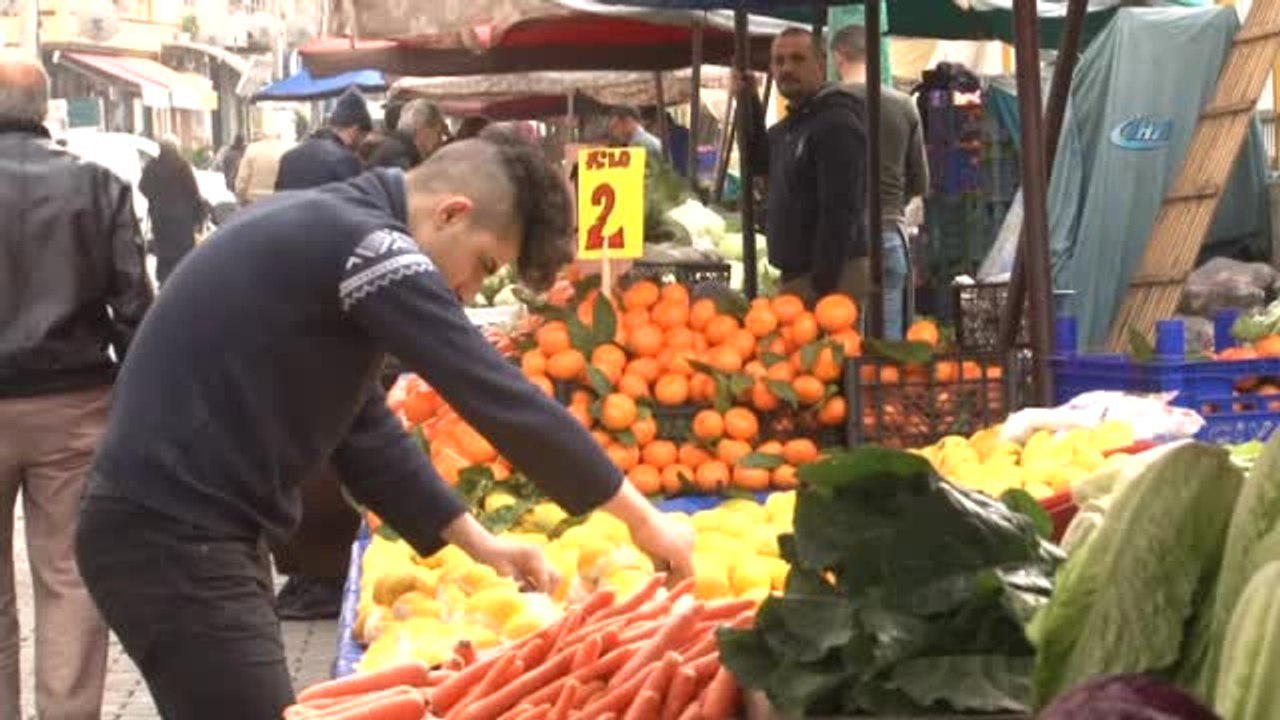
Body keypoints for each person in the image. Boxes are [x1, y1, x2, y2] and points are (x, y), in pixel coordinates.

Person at [74, 126, 694, 719]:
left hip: (184, 530)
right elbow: (495, 394)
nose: (470, 291)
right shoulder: (371, 244)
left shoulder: (339, 230)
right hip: (172, 535)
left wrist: (479, 542)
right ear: (451, 213)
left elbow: (361, 428)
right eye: (481, 264)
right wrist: (644, 521)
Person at [0, 53, 153, 720]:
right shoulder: (99, 184)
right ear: (47, 109)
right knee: (67, 580)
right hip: (75, 403)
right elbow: (135, 306)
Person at [743, 28, 868, 306]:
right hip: (799, 276)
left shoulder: (837, 123)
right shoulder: (793, 125)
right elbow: (759, 162)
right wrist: (749, 101)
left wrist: (821, 284)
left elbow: (840, 209)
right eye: (779, 61)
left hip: (830, 277)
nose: (786, 68)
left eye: (798, 59)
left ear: (821, 66)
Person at [831, 24, 929, 340]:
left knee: (842, 345)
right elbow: (920, 182)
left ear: (838, 57)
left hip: (839, 239)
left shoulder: (825, 105)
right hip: (889, 232)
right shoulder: (903, 106)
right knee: (888, 351)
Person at [275, 88, 372, 191]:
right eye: (363, 137)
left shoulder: (288, 157)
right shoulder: (347, 161)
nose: (363, 143)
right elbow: (355, 203)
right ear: (354, 131)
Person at [139, 135, 204, 285]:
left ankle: (165, 280)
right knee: (183, 251)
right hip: (182, 218)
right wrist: (197, 215)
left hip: (160, 217)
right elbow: (193, 191)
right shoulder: (182, 166)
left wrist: (155, 199)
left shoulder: (152, 166)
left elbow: (143, 187)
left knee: (163, 250)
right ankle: (183, 279)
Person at [368, 99, 450, 170]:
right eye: (438, 134)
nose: (439, 142)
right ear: (422, 130)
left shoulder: (392, 147)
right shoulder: (401, 157)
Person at [235, 130, 292, 206]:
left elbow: (242, 180)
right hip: (279, 201)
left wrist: (241, 199)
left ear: (261, 136)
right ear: (278, 137)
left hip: (254, 201)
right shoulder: (286, 150)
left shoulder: (252, 149)